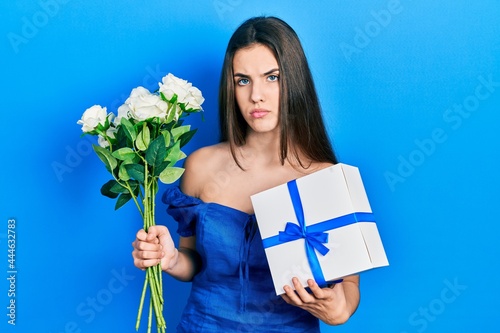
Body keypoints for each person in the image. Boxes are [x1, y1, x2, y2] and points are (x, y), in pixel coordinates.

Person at [132, 16, 360, 332]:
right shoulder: (201, 165)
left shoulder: (327, 179)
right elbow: (192, 260)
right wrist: (169, 259)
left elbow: (348, 288)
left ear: (294, 80)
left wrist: (339, 310)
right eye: (243, 80)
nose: (256, 96)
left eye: (272, 77)